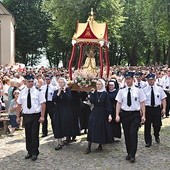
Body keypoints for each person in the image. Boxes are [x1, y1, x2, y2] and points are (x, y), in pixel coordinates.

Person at [115, 72, 146, 163]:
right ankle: (129, 152)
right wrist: (117, 114)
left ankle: (133, 154)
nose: (128, 81)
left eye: (129, 79)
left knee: (133, 134)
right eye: (126, 79)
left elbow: (142, 103)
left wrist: (143, 115)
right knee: (127, 134)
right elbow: (118, 103)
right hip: (125, 114)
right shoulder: (122, 91)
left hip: (135, 114)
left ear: (133, 79)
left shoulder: (138, 90)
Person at [16, 75, 46, 161]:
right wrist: (18, 117)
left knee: (34, 134)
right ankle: (29, 151)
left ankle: (34, 152)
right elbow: (19, 104)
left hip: (35, 115)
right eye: (29, 81)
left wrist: (42, 116)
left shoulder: (38, 91)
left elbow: (43, 103)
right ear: (25, 82)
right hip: (26, 115)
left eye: (32, 81)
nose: (31, 83)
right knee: (28, 134)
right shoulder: (22, 92)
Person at [85, 79, 113, 154]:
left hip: (102, 112)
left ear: (103, 85)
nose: (98, 86)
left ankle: (100, 144)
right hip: (95, 111)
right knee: (91, 127)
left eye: (99, 84)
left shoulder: (105, 94)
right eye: (97, 84)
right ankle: (89, 147)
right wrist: (92, 94)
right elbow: (92, 101)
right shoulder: (94, 93)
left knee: (101, 128)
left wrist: (109, 114)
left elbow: (108, 104)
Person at [143, 73, 166, 147]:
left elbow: (163, 99)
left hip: (156, 109)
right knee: (147, 125)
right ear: (147, 80)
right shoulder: (144, 89)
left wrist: (164, 108)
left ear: (155, 80)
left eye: (152, 80)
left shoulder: (159, 89)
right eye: (149, 80)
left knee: (157, 125)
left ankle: (156, 135)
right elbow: (142, 101)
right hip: (148, 109)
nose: (151, 81)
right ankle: (148, 141)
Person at [52, 77, 73, 150]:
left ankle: (66, 138)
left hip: (65, 109)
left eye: (62, 82)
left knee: (65, 124)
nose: (60, 84)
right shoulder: (56, 91)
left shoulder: (67, 90)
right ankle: (59, 141)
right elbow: (54, 99)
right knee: (58, 124)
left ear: (64, 83)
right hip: (58, 110)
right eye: (59, 82)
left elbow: (69, 99)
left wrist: (64, 92)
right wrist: (58, 93)